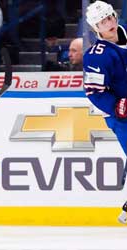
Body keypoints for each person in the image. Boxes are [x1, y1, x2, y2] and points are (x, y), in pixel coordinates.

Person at [83, 1, 127, 224]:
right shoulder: (96, 55)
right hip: (122, 117)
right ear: (95, 28)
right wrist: (118, 107)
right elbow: (94, 92)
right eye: (102, 22)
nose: (109, 23)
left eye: (109, 17)